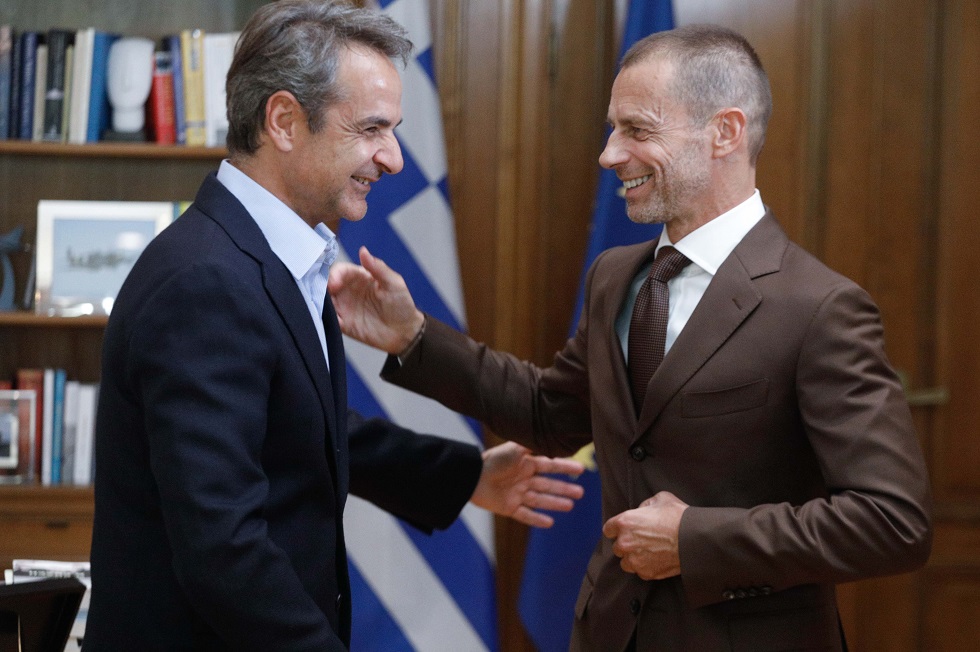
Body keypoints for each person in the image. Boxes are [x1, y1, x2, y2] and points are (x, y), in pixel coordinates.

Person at [328, 23, 933, 652]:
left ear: (725, 132)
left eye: (638, 130)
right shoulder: (615, 276)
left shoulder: (820, 308)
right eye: (613, 129)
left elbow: (892, 521)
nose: (610, 154)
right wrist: (412, 336)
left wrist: (694, 540)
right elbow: (549, 413)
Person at [83, 2, 585, 650]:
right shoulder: (205, 283)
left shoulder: (266, 254)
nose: (394, 158)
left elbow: (300, 426)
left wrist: (463, 477)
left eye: (394, 130)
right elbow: (224, 549)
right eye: (372, 128)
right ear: (284, 121)